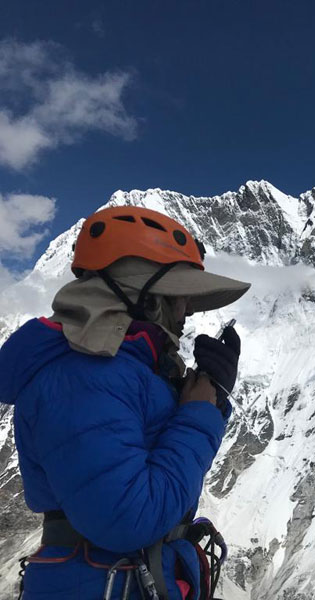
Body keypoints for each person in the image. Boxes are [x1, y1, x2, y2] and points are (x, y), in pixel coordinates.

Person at [0, 206, 251, 599]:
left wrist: (211, 398)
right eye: (177, 297)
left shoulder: (122, 369)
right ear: (142, 296)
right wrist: (200, 414)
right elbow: (128, 519)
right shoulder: (83, 376)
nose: (185, 312)